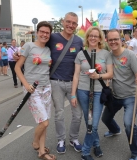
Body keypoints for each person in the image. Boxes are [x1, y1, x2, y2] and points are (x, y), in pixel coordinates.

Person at [15, 21, 56, 160]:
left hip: (46, 88)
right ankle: (35, 142)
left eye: (47, 33)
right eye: (42, 32)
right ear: (37, 32)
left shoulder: (48, 49)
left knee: (43, 121)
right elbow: (17, 67)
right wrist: (26, 85)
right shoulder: (28, 46)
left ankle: (42, 151)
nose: (44, 34)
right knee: (44, 122)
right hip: (32, 90)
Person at [71, 26, 113, 160]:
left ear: (100, 38)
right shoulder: (81, 54)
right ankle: (96, 144)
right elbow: (76, 75)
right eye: (91, 35)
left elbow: (110, 73)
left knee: (93, 124)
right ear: (87, 37)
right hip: (83, 90)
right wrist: (73, 94)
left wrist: (99, 77)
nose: (93, 38)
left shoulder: (106, 54)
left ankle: (85, 151)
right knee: (88, 120)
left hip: (98, 92)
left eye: (96, 36)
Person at [102, 29, 137, 160]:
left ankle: (136, 152)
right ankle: (115, 130)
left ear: (121, 40)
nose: (113, 42)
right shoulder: (108, 56)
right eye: (110, 40)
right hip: (114, 96)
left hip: (131, 96)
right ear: (107, 41)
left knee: (128, 124)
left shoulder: (130, 55)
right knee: (105, 119)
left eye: (116, 39)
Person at [46, 12, 83, 154]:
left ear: (77, 25)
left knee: (78, 114)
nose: (70, 25)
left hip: (73, 83)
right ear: (63, 22)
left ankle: (73, 138)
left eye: (74, 23)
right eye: (68, 22)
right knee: (59, 114)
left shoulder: (79, 41)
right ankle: (61, 139)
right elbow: (39, 46)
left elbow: (84, 59)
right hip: (56, 82)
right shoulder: (53, 37)